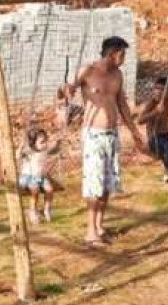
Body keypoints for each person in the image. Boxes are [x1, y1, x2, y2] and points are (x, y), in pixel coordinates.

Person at [56, 36, 147, 248]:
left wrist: (134, 131)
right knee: (93, 184)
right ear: (112, 53)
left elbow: (122, 104)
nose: (124, 58)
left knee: (107, 183)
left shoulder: (118, 75)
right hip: (93, 135)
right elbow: (66, 89)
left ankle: (99, 227)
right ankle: (89, 232)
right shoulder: (87, 71)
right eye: (122, 54)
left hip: (111, 134)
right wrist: (66, 90)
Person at [19, 127, 59, 222]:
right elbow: (18, 156)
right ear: (33, 144)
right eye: (42, 142)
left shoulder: (45, 150)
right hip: (28, 177)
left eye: (46, 141)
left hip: (41, 177)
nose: (45, 144)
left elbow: (54, 149)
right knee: (35, 190)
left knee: (50, 190)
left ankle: (47, 209)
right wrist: (20, 148)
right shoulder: (29, 152)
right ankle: (32, 211)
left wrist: (58, 143)